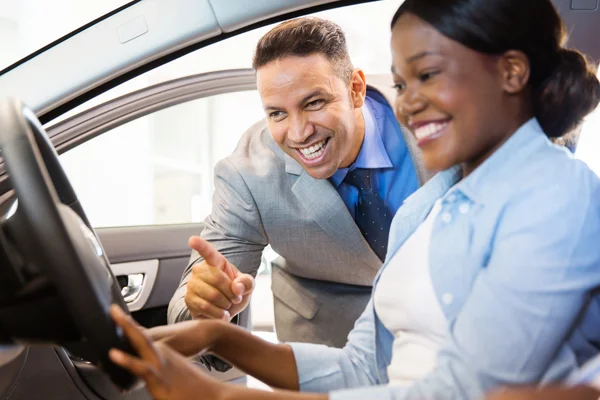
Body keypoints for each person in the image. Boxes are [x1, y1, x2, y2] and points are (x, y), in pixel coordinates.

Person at [109, 0, 600, 398]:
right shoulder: (426, 208)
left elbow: (469, 389)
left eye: (429, 76)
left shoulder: (561, 196)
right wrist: (218, 333)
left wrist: (225, 397)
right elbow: (365, 365)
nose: (408, 103)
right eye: (404, 83)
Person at [168, 16, 428, 361]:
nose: (299, 132)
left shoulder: (432, 114)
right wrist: (205, 305)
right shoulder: (248, 176)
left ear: (355, 89)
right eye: (277, 113)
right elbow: (187, 312)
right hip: (330, 337)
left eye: (314, 103)